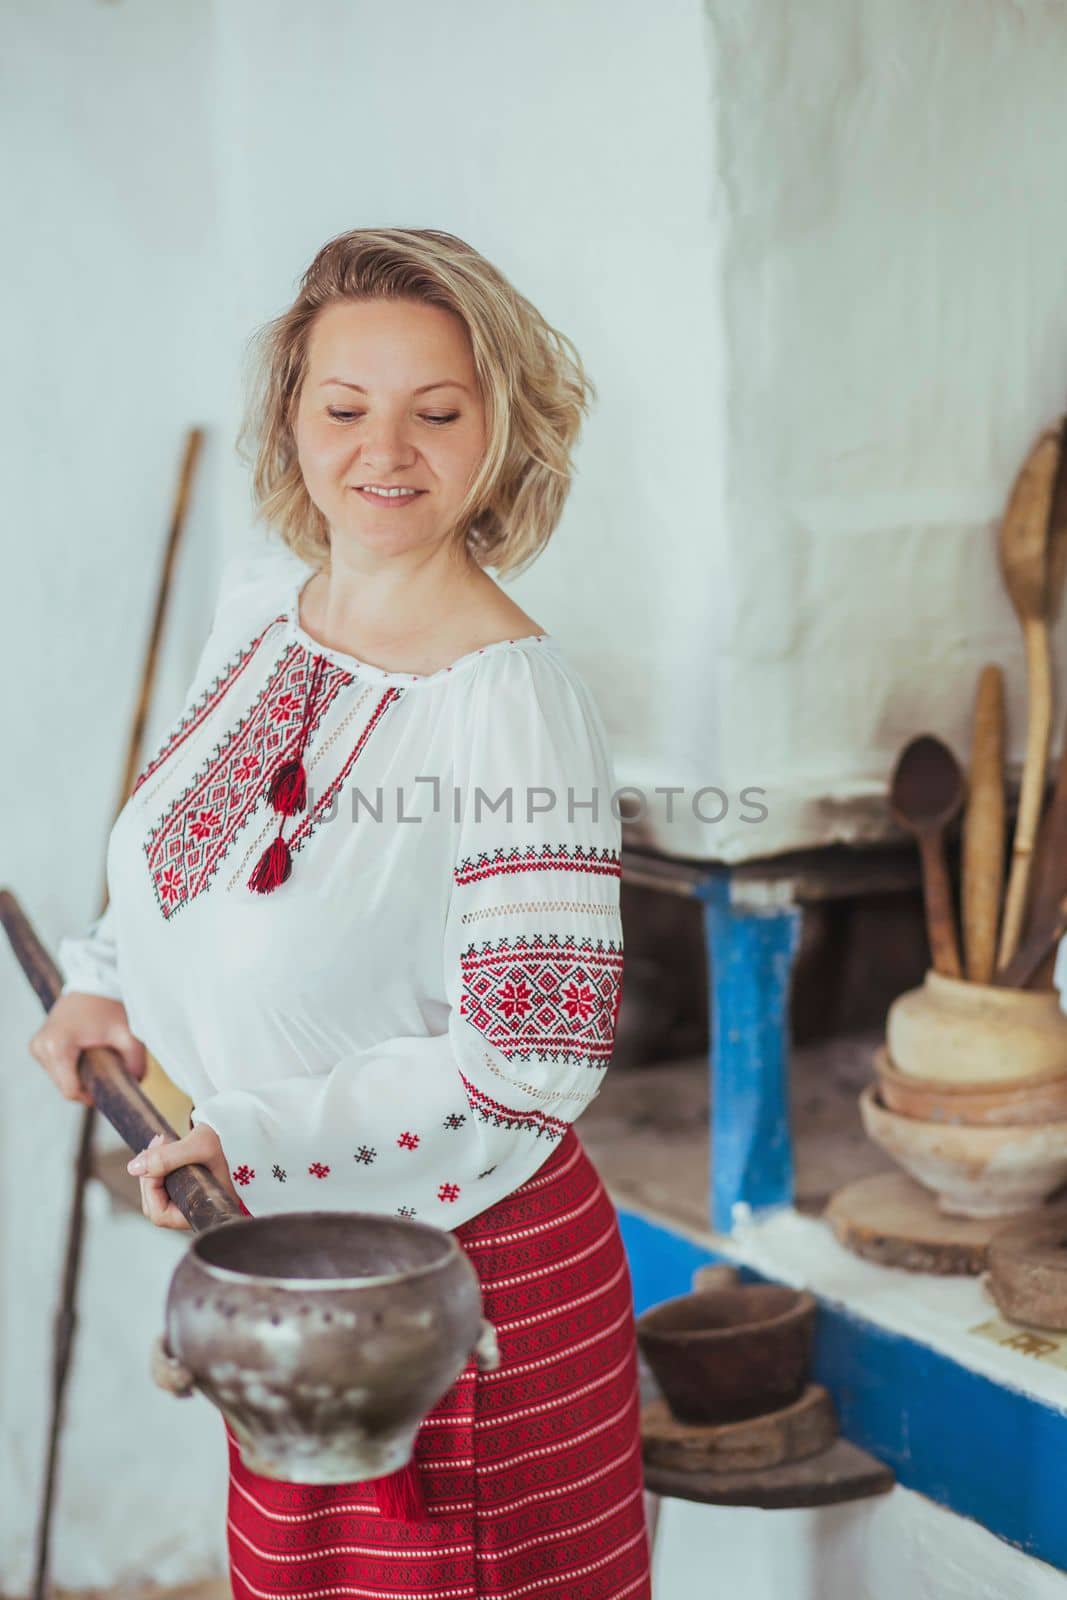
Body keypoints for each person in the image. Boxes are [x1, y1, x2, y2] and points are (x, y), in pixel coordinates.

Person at [30, 228, 652, 1599]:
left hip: (457, 1288)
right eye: (344, 407)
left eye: (437, 412)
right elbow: (168, 856)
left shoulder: (512, 706)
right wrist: (103, 981)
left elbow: (528, 1065)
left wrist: (244, 1138)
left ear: (504, 432)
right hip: (296, 1268)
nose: (387, 451)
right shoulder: (262, 612)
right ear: (290, 419)